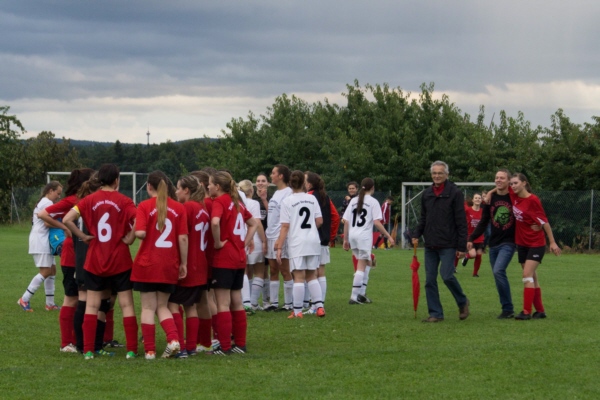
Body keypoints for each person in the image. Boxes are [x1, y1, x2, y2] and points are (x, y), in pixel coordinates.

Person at [63, 163, 139, 360]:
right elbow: (139, 220)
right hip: (120, 259)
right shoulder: (125, 201)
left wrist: (82, 236)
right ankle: (131, 350)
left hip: (95, 259)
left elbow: (67, 219)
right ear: (116, 180)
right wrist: (130, 238)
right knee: (126, 305)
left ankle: (88, 350)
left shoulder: (88, 200)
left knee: (92, 305)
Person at [131, 171, 188, 360]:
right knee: (162, 306)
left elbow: (140, 233)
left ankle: (150, 351)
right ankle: (173, 339)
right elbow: (183, 238)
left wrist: (138, 227)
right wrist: (184, 263)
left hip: (147, 264)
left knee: (148, 308)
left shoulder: (144, 205)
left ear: (149, 186)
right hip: (169, 264)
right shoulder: (179, 208)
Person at [38, 168, 95, 353]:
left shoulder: (88, 200)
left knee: (83, 299)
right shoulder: (72, 200)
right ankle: (66, 343)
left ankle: (79, 340)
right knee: (71, 298)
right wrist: (64, 227)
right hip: (72, 256)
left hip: (84, 254)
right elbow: (43, 214)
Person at [411, 161, 470, 322]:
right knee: (430, 280)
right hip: (430, 244)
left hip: (448, 243)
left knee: (447, 276)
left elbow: (461, 221)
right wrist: (416, 234)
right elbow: (424, 218)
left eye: (440, 173)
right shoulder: (427, 194)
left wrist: (461, 246)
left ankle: (462, 301)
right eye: (434, 173)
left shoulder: (455, 193)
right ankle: (435, 313)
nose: (437, 176)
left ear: (446, 175)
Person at [207, 171, 258, 355]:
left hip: (224, 258)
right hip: (239, 257)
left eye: (210, 183)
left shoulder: (219, 201)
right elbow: (253, 224)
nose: (208, 186)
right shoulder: (237, 202)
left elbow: (214, 222)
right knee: (237, 301)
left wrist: (217, 242)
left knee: (222, 303)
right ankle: (240, 345)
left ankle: (225, 346)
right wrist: (243, 242)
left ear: (217, 187)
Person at [508, 173, 560, 320]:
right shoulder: (513, 195)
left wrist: (552, 242)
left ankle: (526, 312)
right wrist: (490, 194)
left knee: (526, 275)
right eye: (511, 183)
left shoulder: (533, 200)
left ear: (524, 183)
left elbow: (544, 222)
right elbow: (499, 186)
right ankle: (540, 311)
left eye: (516, 183)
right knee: (532, 277)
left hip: (536, 243)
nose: (513, 186)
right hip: (521, 243)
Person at [275, 171, 325, 318]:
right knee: (311, 275)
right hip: (313, 241)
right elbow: (319, 221)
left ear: (290, 184)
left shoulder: (287, 201)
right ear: (304, 183)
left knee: (298, 276)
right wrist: (310, 230)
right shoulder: (312, 198)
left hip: (297, 242)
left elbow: (285, 226)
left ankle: (297, 311)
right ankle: (320, 307)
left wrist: (279, 247)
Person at [468, 170, 516, 319]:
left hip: (509, 242)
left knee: (498, 271)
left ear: (509, 180)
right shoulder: (490, 199)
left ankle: (508, 308)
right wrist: (471, 238)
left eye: (502, 178)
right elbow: (483, 222)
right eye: (496, 178)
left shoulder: (514, 196)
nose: (498, 180)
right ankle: (507, 309)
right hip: (494, 244)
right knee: (497, 275)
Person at [343, 178, 394, 304]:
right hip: (364, 236)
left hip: (353, 235)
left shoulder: (353, 200)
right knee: (361, 266)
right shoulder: (373, 201)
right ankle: (354, 296)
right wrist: (388, 236)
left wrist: (345, 239)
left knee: (365, 263)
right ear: (372, 188)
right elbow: (377, 222)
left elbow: (346, 221)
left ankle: (361, 294)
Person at [18, 181, 63, 313]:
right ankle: (24, 299)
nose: (59, 196)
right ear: (50, 191)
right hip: (40, 241)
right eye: (58, 193)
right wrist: (64, 226)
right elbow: (47, 223)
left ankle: (50, 304)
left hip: (42, 240)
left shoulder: (45, 202)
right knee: (46, 271)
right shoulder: (47, 203)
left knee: (52, 270)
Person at [304, 171, 336, 313]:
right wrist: (330, 235)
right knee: (321, 271)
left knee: (312, 272)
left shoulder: (308, 197)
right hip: (323, 238)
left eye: (304, 180)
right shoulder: (325, 196)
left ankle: (315, 305)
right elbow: (335, 216)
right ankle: (320, 304)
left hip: (312, 238)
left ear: (309, 184)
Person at [264, 165, 293, 312]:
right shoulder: (276, 193)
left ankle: (289, 304)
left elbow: (287, 219)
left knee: (285, 270)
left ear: (281, 176)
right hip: (270, 235)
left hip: (280, 236)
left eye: (273, 173)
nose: (271, 175)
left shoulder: (289, 193)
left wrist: (280, 238)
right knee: (273, 270)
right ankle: (274, 302)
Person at [238, 180, 267, 313]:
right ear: (251, 190)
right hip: (254, 237)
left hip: (242, 237)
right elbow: (257, 223)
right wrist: (264, 240)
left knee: (244, 271)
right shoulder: (254, 203)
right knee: (259, 271)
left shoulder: (237, 202)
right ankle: (253, 302)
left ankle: (246, 300)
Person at [462, 193, 484, 277]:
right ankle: (466, 256)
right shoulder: (468, 210)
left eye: (479, 198)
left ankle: (475, 273)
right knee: (473, 254)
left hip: (479, 236)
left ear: (481, 200)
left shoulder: (483, 211)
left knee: (479, 255)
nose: (478, 199)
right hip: (470, 236)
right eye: (476, 198)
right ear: (473, 200)